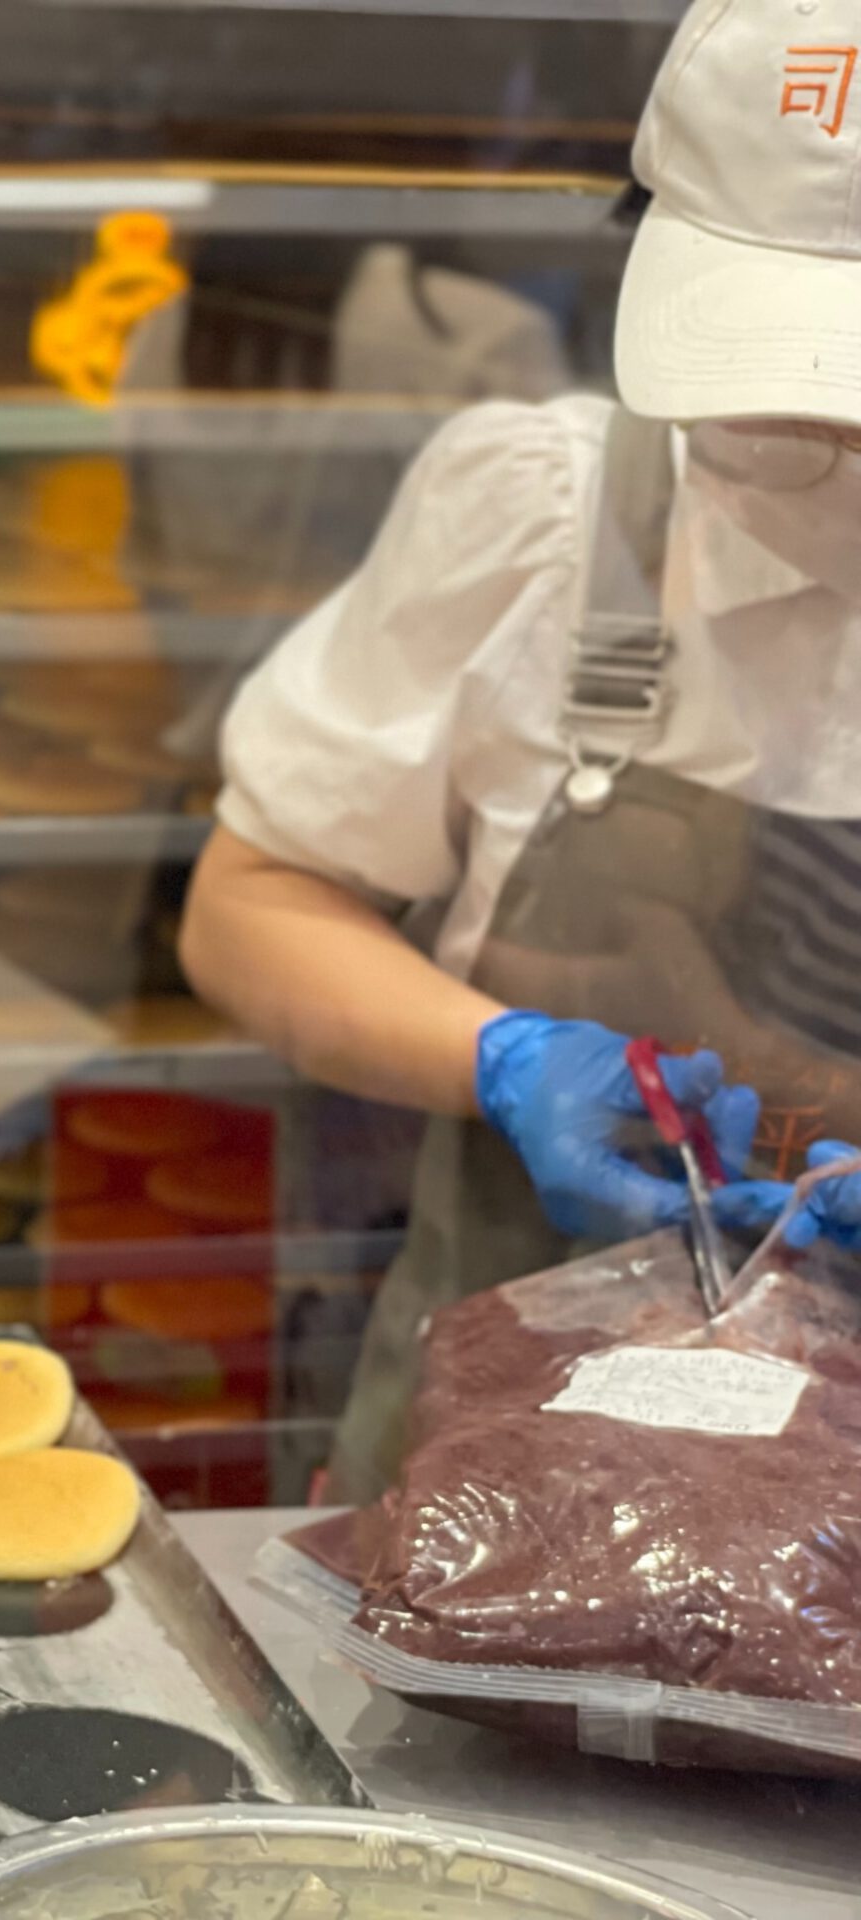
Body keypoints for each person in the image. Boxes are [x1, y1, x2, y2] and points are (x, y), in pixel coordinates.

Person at [181, 0, 861, 1498]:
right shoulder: (554, 518)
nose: (839, 454)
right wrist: (499, 1059)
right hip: (508, 1498)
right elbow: (249, 900)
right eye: (784, 410)